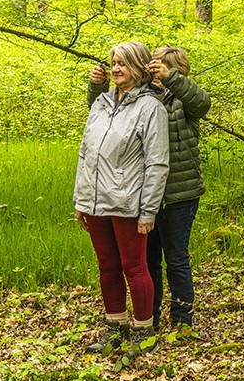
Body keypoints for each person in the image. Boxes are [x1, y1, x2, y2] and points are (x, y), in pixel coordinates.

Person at [90, 46, 211, 331]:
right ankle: (151, 317)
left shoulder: (183, 101)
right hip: (143, 195)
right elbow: (105, 118)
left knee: (177, 259)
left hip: (180, 194)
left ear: (178, 72)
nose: (158, 76)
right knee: (148, 260)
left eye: (165, 70)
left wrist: (172, 79)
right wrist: (98, 87)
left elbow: (202, 103)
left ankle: (182, 319)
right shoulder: (143, 99)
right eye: (155, 69)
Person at [75, 42, 169, 359]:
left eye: (124, 63)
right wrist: (80, 198)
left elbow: (157, 163)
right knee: (107, 265)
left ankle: (144, 333)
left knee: (134, 267)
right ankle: (115, 328)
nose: (116, 68)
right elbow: (86, 152)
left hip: (128, 201)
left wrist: (148, 211)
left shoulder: (150, 108)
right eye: (114, 62)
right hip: (95, 200)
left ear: (139, 68)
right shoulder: (100, 104)